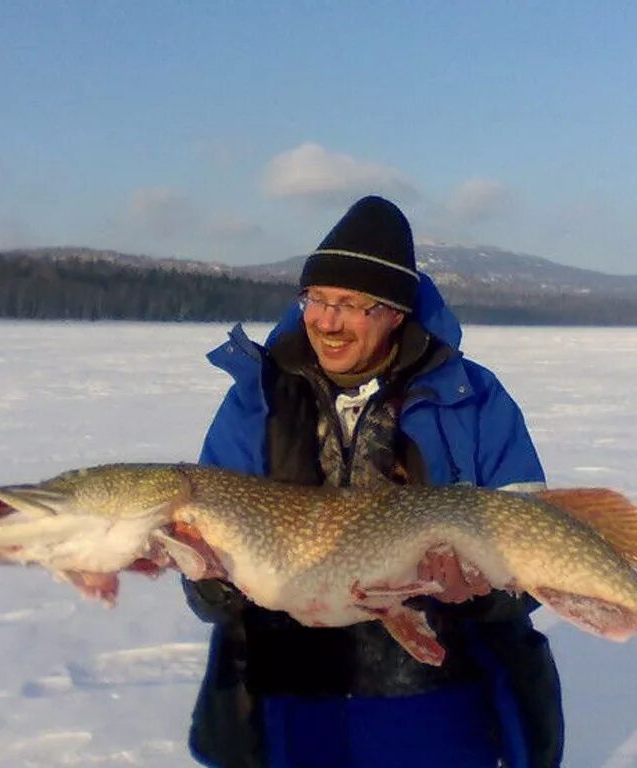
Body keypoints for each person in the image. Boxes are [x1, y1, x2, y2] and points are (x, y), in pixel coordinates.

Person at [184, 196, 564, 768]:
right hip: (288, 701)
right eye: (316, 299)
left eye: (352, 305)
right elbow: (210, 581)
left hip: (437, 704)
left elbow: (540, 549)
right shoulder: (255, 400)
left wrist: (485, 592)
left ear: (395, 313)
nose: (326, 320)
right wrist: (208, 578)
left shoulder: (473, 399)